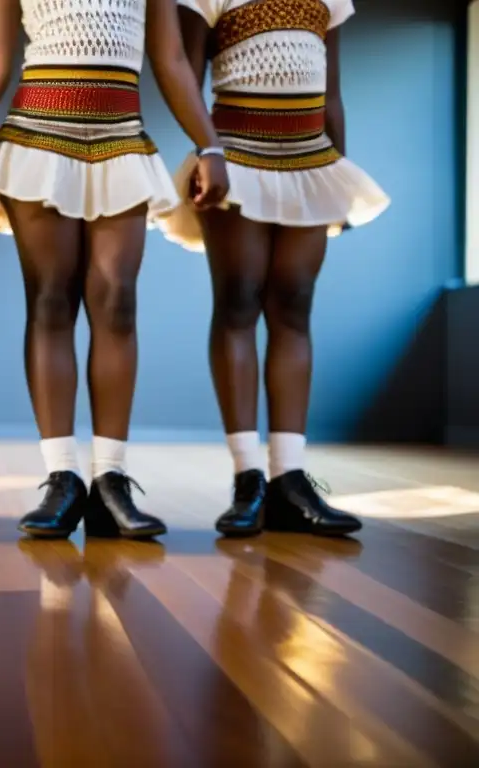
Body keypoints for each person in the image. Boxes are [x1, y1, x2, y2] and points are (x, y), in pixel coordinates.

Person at [0, 0, 229, 540]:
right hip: (38, 134)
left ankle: (110, 481)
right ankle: (61, 477)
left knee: (117, 299)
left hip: (120, 137)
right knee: (50, 300)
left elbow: (172, 58)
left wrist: (209, 145)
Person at [165, 0, 389, 537]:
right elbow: (184, 77)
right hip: (234, 155)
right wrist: (206, 150)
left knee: (293, 305)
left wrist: (339, 167)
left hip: (310, 158)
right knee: (239, 300)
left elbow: (331, 94)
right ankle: (247, 477)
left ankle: (288, 478)